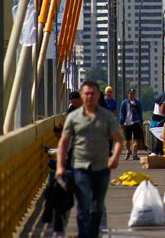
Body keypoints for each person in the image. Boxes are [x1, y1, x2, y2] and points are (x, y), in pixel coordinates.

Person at [56, 80, 122, 238]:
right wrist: (60, 165)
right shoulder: (73, 117)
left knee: (97, 206)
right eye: (86, 93)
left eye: (93, 93)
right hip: (80, 167)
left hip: (102, 167)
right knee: (83, 204)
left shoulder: (106, 116)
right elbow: (64, 142)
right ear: (81, 95)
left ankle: (93, 233)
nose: (89, 96)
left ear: (99, 95)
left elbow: (118, 140)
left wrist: (115, 157)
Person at [119, 88, 143, 160]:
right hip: (127, 123)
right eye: (130, 94)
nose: (132, 95)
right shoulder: (124, 103)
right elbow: (121, 113)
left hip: (136, 122)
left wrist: (141, 122)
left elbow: (140, 112)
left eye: (133, 94)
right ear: (128, 94)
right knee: (127, 140)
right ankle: (128, 150)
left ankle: (135, 154)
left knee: (136, 139)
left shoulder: (137, 103)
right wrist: (122, 122)